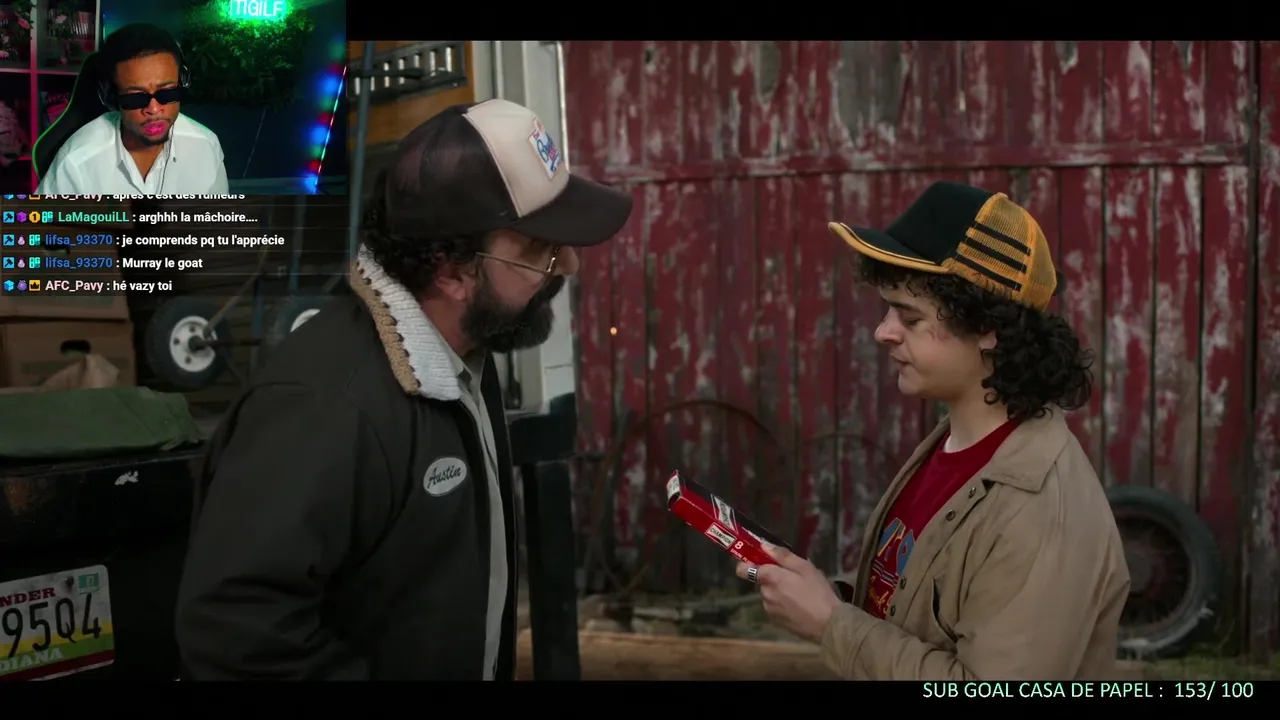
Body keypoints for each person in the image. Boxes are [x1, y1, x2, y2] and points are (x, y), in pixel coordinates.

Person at [173, 98, 633, 679]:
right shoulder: (327, 406)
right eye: (539, 249)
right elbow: (233, 632)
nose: (567, 265)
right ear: (451, 269)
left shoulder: (461, 357)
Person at [735, 181, 1130, 680]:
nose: (883, 331)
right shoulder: (955, 446)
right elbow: (912, 603)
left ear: (988, 329)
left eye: (910, 317)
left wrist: (832, 625)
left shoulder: (1038, 511)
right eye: (888, 310)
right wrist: (821, 596)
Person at [36, 23, 228, 195]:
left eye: (167, 93)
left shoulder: (205, 147)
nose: (154, 109)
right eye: (136, 97)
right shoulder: (77, 162)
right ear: (112, 96)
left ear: (183, 84)